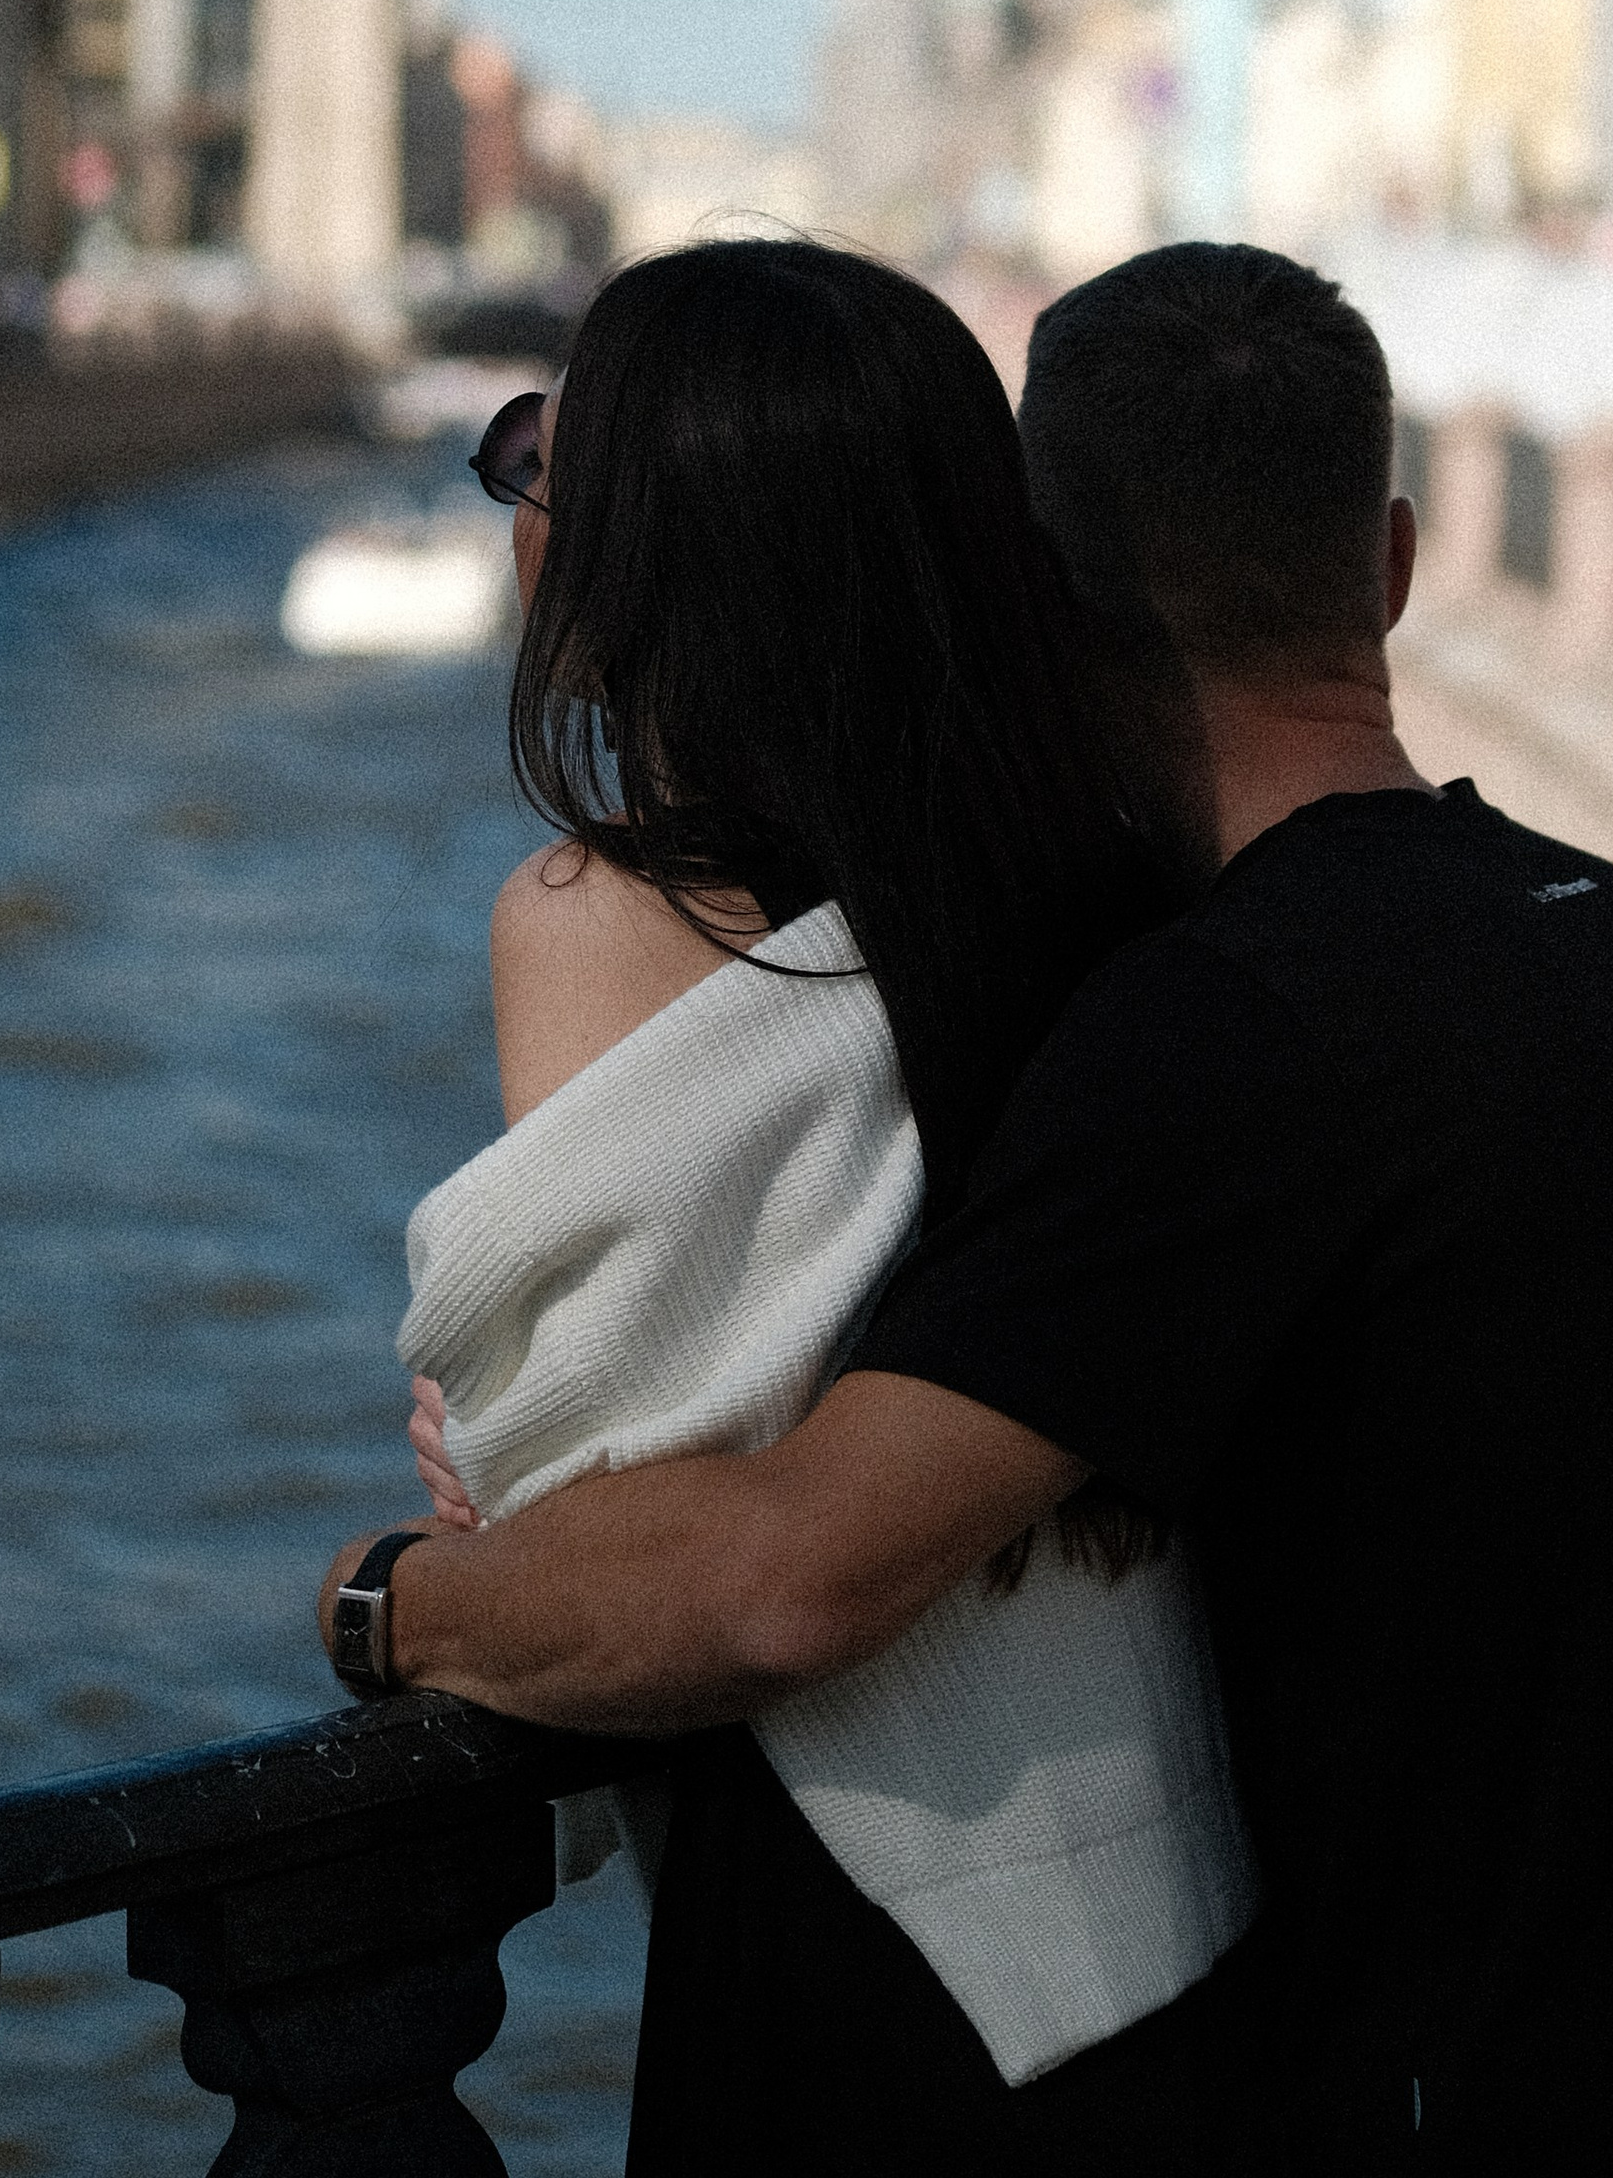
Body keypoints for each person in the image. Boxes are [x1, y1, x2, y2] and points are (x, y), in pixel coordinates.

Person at [324, 242, 1613, 2178]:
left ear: (1045, 599)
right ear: (1395, 564)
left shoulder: (1234, 1031)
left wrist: (388, 1600)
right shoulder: (1599, 929)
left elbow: (782, 1571)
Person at [327, 239, 1258, 2172]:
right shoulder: (1123, 901)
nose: (517, 516)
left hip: (851, 1941)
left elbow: (608, 1510)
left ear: (659, 554)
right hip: (1184, 1906)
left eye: (539, 464)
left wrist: (388, 1591)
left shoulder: (598, 919)